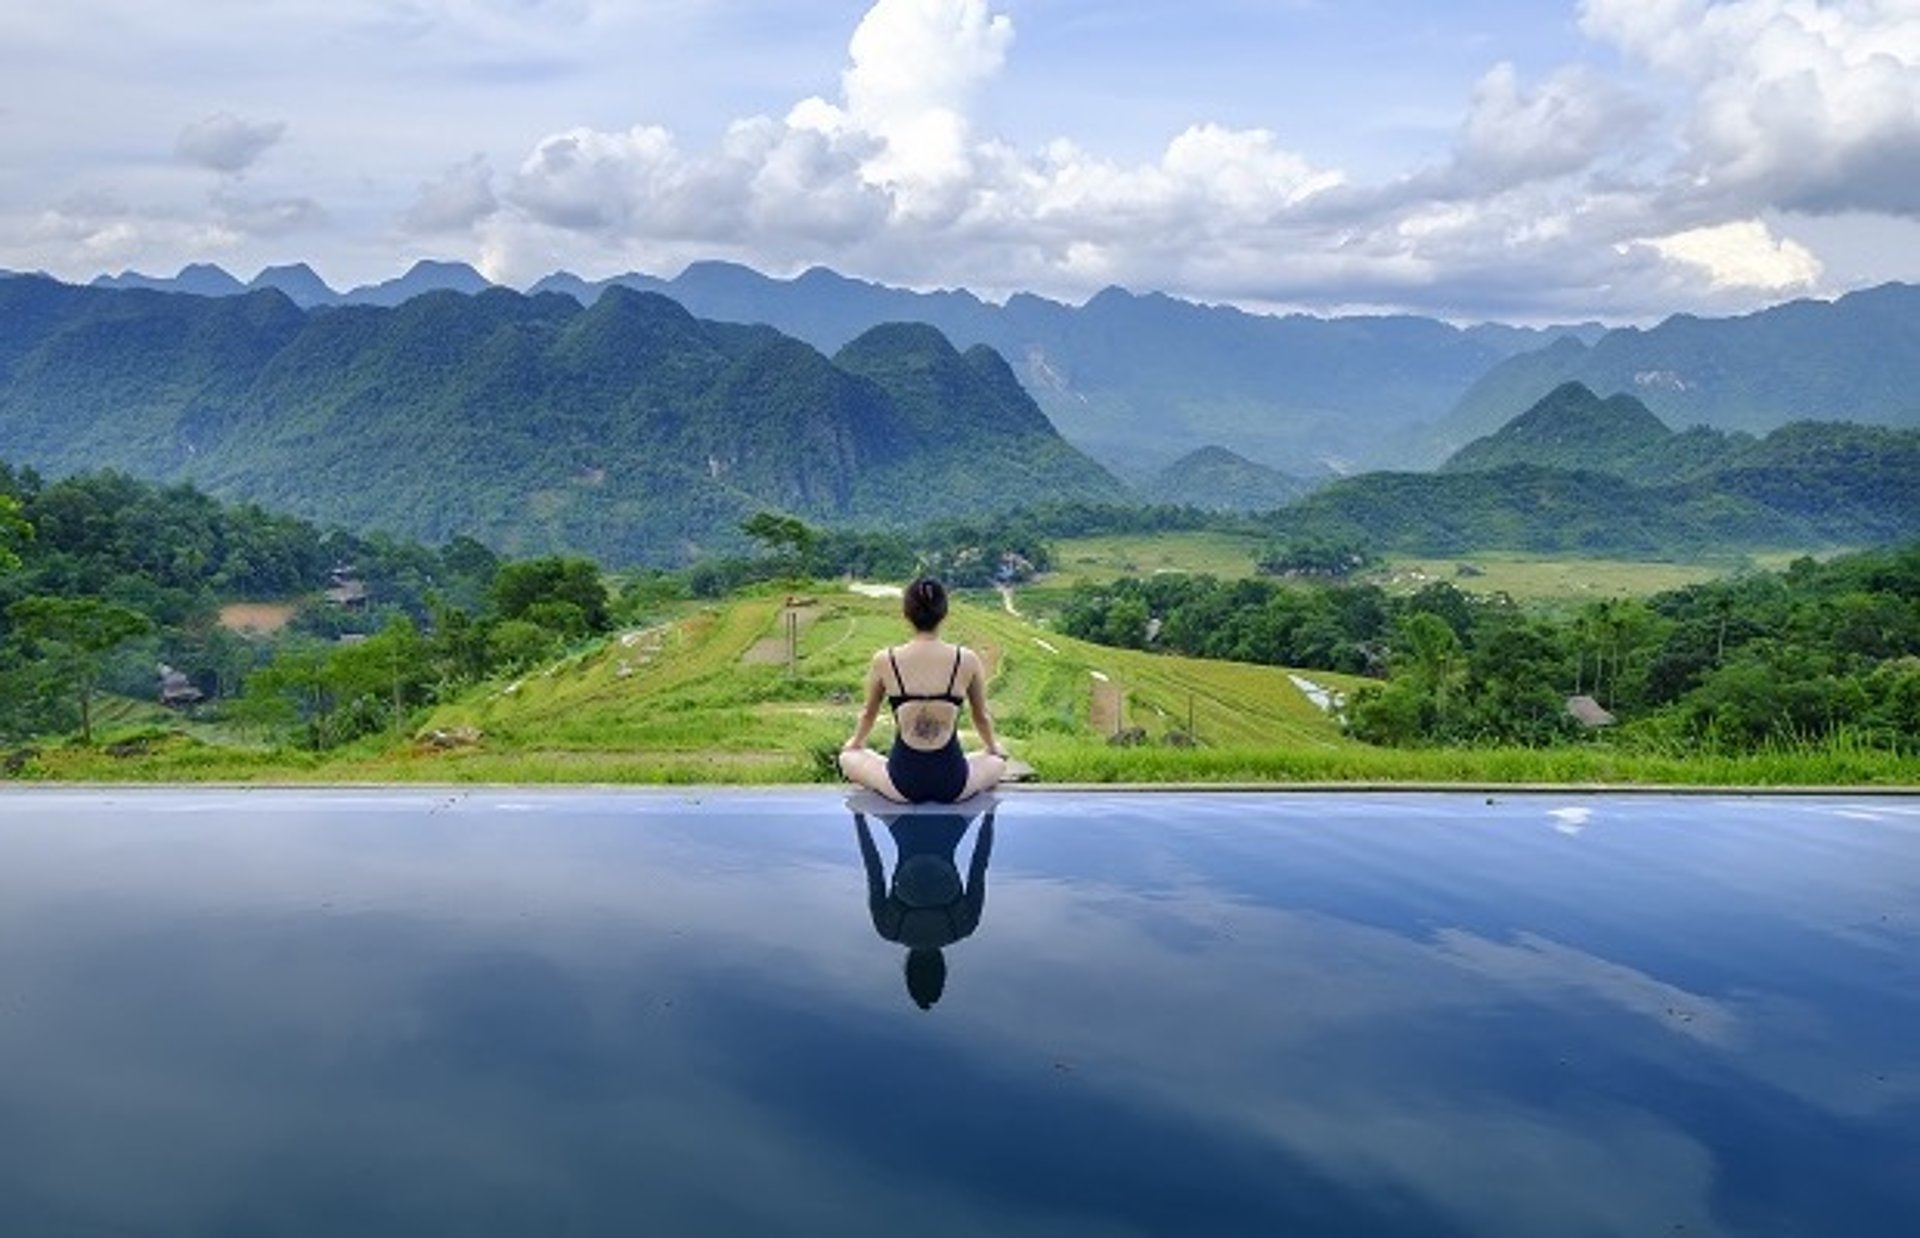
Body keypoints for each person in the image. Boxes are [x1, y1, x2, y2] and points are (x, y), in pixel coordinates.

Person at [839, 577, 1008, 803]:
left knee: (848, 757)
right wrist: (992, 747)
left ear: (906, 614)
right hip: (953, 783)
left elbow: (868, 714)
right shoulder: (966, 659)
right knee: (996, 761)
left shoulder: (885, 660)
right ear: (944, 613)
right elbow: (981, 717)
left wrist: (856, 743)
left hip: (901, 784)